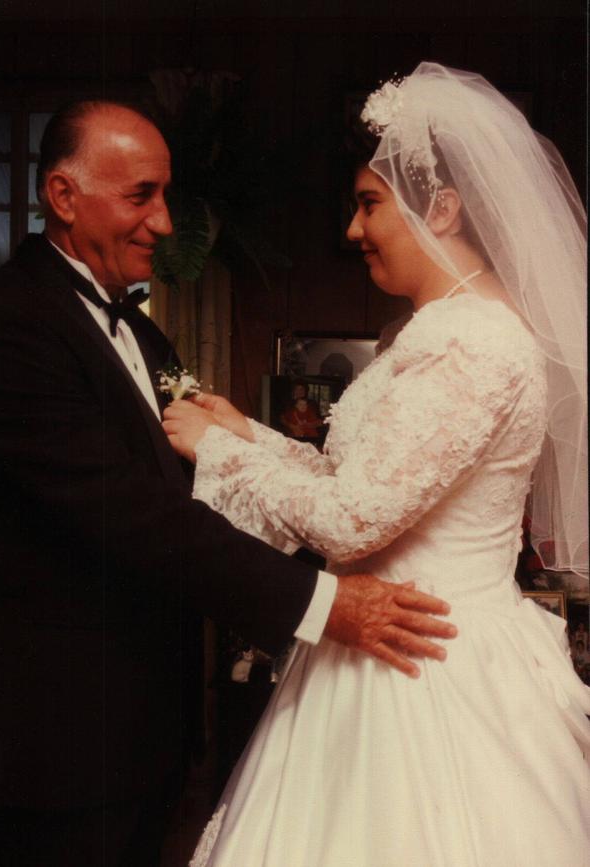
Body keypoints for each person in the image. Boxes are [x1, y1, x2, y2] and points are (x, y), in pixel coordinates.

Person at [0, 100, 456, 867]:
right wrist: (322, 602)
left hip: (138, 735)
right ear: (63, 195)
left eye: (167, 195)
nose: (164, 223)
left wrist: (253, 448)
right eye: (140, 196)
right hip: (48, 746)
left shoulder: (139, 329)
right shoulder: (6, 327)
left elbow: (205, 481)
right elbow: (136, 516)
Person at [163, 63, 590, 865]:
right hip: (375, 641)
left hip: (425, 665)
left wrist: (213, 450)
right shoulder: (430, 331)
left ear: (443, 206)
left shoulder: (476, 341)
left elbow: (355, 520)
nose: (353, 230)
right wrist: (250, 436)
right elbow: (358, 479)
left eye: (368, 204)